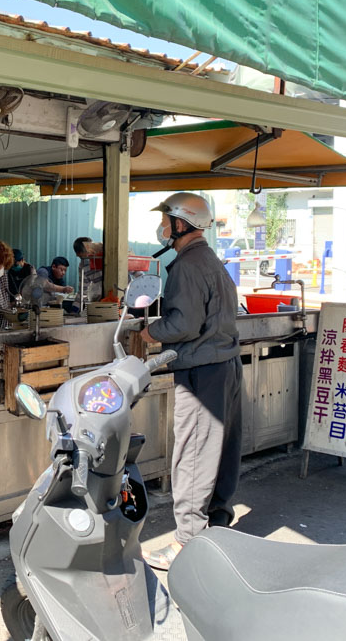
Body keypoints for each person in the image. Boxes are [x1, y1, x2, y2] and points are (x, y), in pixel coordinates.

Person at [139, 192, 242, 572]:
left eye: (166, 220)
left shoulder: (186, 266)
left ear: (181, 224)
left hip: (202, 370)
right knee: (221, 449)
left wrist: (151, 331)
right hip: (226, 365)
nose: (162, 227)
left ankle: (189, 544)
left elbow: (183, 324)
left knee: (194, 454)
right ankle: (216, 524)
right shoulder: (209, 259)